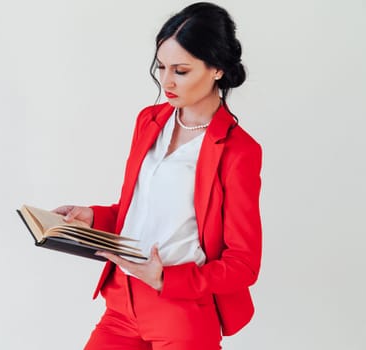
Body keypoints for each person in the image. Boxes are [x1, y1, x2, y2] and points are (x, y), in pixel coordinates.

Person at [54, 2, 262, 349]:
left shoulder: (238, 151)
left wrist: (168, 279)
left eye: (181, 70)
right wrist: (94, 216)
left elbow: (243, 264)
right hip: (121, 302)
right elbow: (142, 212)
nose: (166, 80)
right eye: (162, 67)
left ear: (216, 70)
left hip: (181, 311)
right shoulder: (149, 121)